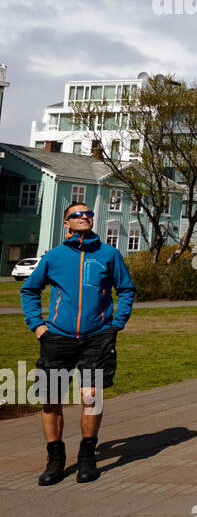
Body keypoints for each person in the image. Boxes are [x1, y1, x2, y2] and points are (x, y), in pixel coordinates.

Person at [22, 201, 135, 486]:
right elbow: (29, 290)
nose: (84, 217)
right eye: (77, 215)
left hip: (97, 337)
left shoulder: (109, 254)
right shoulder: (54, 256)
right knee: (51, 399)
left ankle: (87, 456)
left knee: (90, 396)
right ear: (66, 223)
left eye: (88, 214)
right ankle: (56, 459)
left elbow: (126, 289)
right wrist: (38, 325)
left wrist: (116, 324)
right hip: (57, 337)